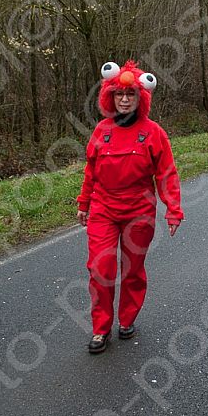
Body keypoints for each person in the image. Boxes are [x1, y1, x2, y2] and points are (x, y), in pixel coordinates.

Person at [77, 61, 183, 353]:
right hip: (103, 208)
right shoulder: (102, 130)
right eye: (119, 94)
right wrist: (84, 202)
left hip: (139, 209)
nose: (124, 99)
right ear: (109, 96)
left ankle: (127, 320)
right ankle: (101, 329)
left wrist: (173, 209)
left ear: (141, 98)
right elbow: (91, 170)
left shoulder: (153, 132)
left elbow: (166, 174)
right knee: (101, 267)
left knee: (133, 269)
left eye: (131, 94)